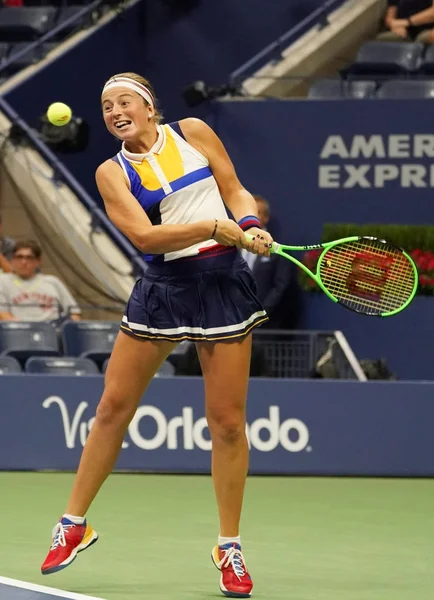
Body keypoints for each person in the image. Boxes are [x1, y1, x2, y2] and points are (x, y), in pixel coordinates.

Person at [40, 72, 273, 598]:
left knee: (229, 423)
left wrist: (249, 221)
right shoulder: (111, 172)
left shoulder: (194, 131)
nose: (115, 110)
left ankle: (229, 547)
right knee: (111, 409)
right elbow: (145, 236)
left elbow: (233, 188)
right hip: (165, 288)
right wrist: (213, 228)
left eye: (125, 101)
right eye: (106, 106)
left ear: (149, 108)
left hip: (222, 285)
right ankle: (74, 524)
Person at [242, 195, 295, 330]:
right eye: (248, 212)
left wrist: (262, 313)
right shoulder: (231, 247)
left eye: (257, 212)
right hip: (233, 322)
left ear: (266, 218)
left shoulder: (277, 250)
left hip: (266, 325)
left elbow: (280, 286)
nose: (252, 216)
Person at [0, 239, 81, 323]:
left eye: (29, 258)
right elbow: (2, 314)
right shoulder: (3, 281)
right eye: (19, 257)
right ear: (12, 260)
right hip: (18, 331)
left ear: (38, 261)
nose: (24, 262)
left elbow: (74, 313)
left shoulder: (53, 281)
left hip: (52, 331)